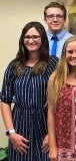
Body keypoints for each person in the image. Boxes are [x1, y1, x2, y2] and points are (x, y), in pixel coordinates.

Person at [0, 21, 58, 161]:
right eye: (27, 37)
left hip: (45, 124)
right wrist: (11, 133)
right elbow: (5, 100)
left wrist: (52, 133)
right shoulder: (14, 65)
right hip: (20, 124)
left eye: (35, 37)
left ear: (43, 39)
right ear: (22, 39)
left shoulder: (53, 63)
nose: (31, 40)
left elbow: (60, 100)